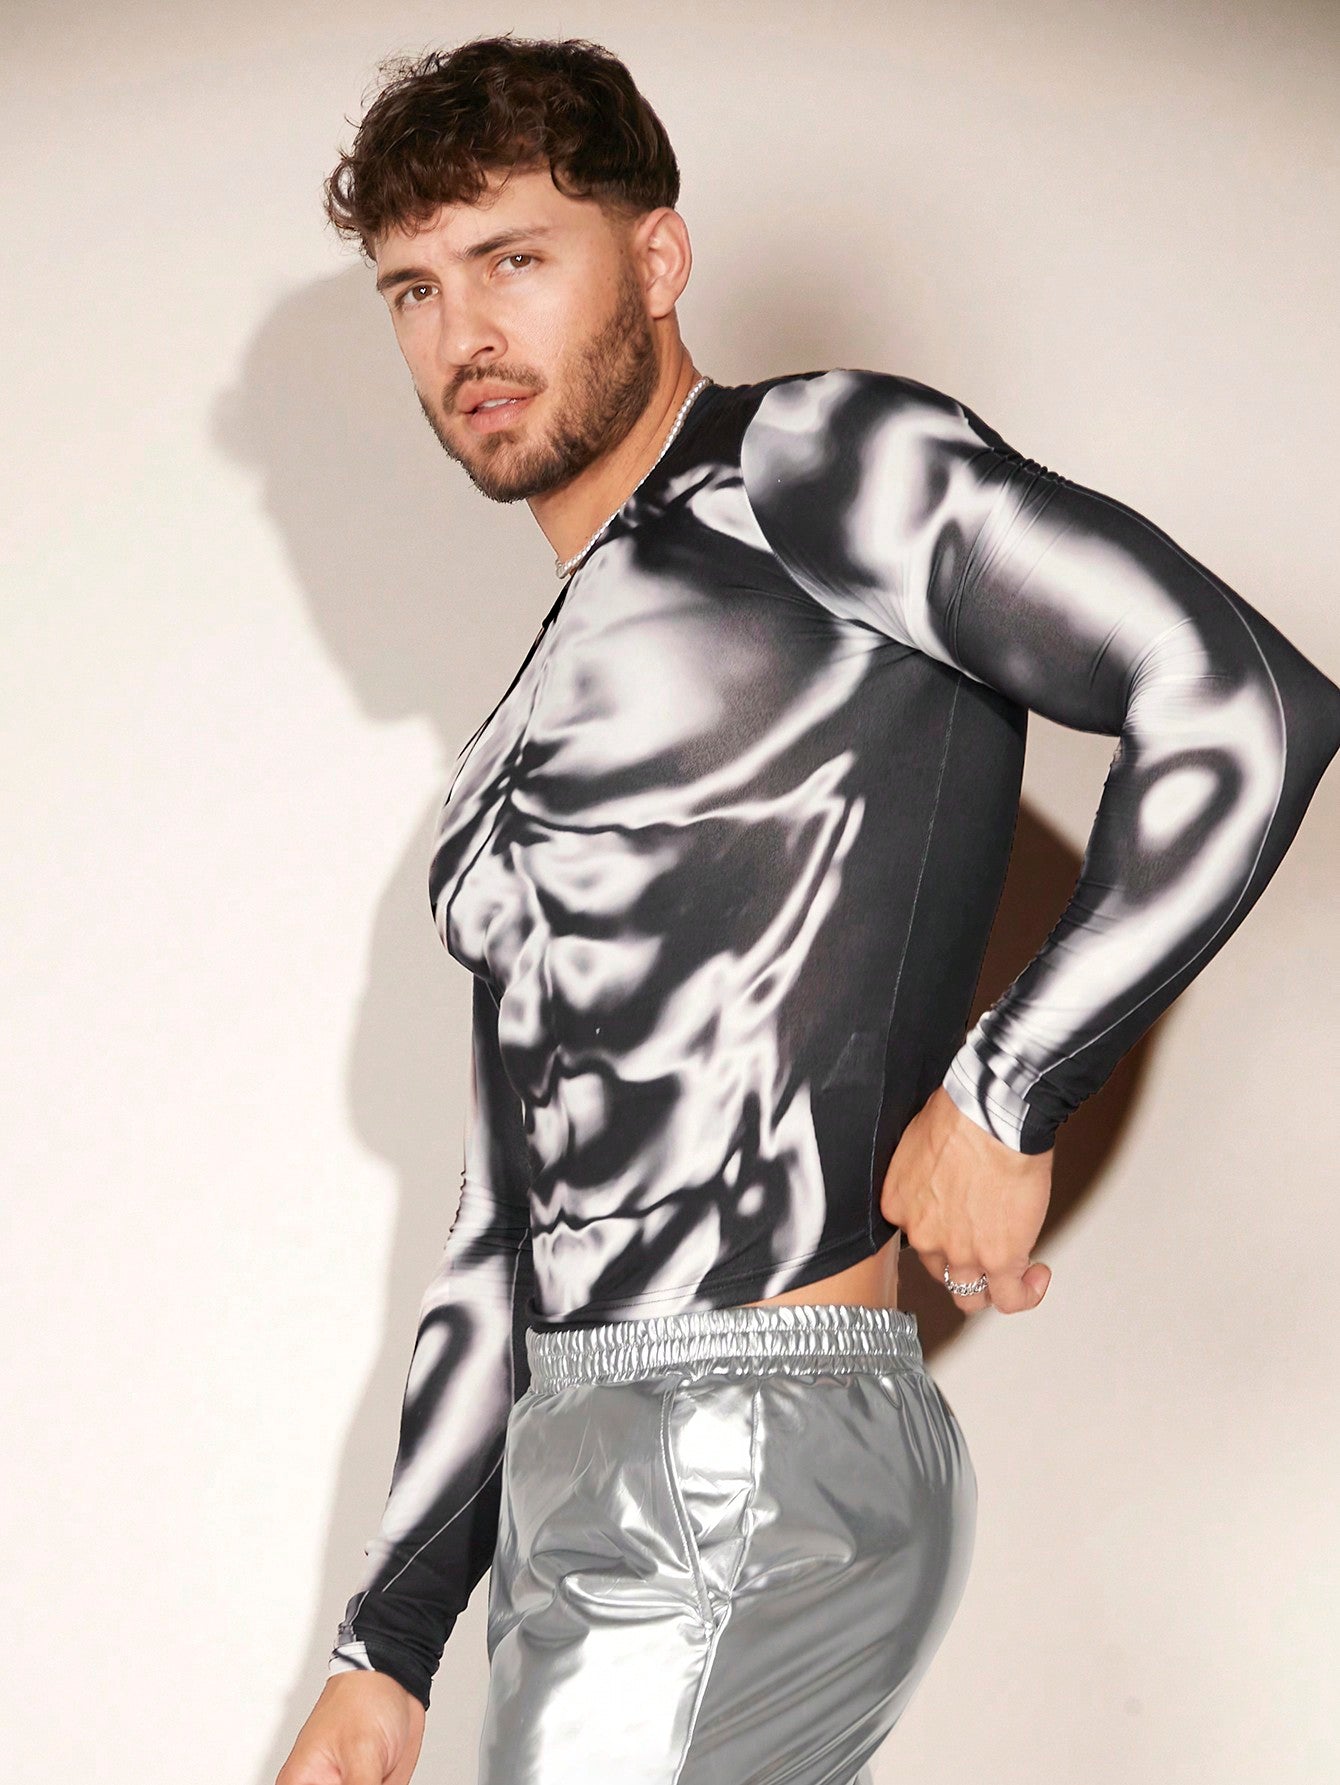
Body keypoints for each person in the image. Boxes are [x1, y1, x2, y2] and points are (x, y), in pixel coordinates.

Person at [278, 32, 1340, 1785]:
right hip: (579, 1465)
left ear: (659, 259)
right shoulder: (497, 775)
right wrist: (385, 1645)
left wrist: (1007, 1086)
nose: (463, 333)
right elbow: (504, 1224)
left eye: (513, 258)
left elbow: (1240, 701)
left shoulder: (810, 467)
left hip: (742, 1437)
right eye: (414, 287)